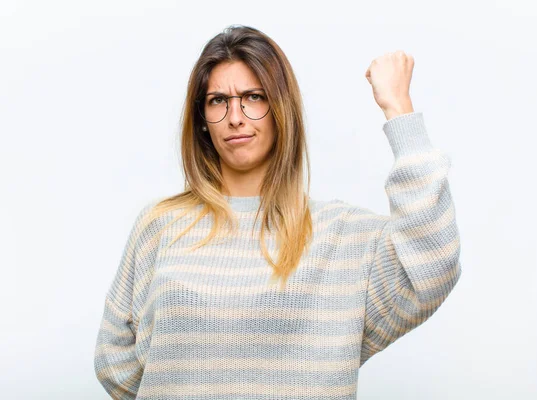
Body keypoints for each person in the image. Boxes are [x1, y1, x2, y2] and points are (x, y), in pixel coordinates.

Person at [94, 25, 462, 399]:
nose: (235, 117)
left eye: (253, 97)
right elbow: (114, 357)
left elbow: (434, 264)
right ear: (202, 119)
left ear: (280, 109)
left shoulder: (343, 236)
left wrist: (398, 109)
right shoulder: (160, 226)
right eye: (218, 100)